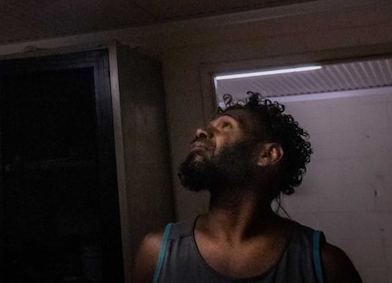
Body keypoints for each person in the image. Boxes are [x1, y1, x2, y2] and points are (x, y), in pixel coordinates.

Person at [132, 91, 362, 283]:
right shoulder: (156, 252)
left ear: (267, 154)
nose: (200, 131)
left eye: (226, 126)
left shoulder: (325, 264)